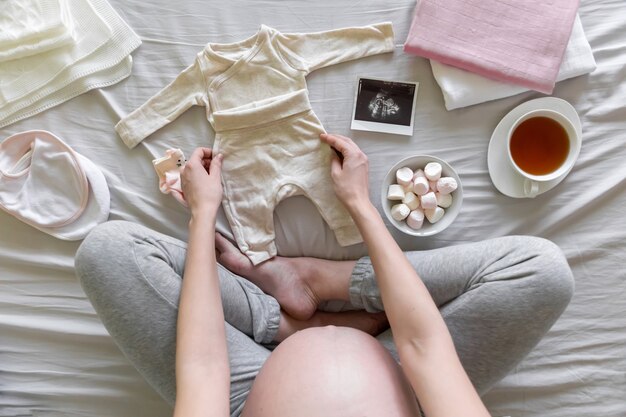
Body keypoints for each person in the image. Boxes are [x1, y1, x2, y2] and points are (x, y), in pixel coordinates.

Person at [75, 133, 574, 417]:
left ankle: (283, 324)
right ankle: (322, 280)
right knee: (542, 273)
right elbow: (423, 347)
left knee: (108, 253)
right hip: (409, 385)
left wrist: (204, 213)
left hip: (246, 389)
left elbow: (205, 368)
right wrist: (360, 206)